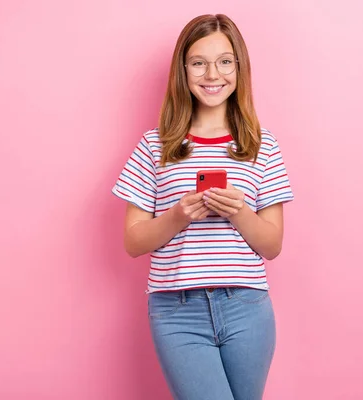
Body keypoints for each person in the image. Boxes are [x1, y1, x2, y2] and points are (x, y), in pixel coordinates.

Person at [112, 13, 294, 400]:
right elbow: (132, 242)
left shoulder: (263, 145)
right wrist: (178, 215)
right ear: (184, 70)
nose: (213, 74)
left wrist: (238, 211)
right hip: (177, 312)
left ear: (238, 68)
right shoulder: (154, 146)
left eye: (225, 61)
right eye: (199, 62)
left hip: (247, 307)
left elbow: (272, 246)